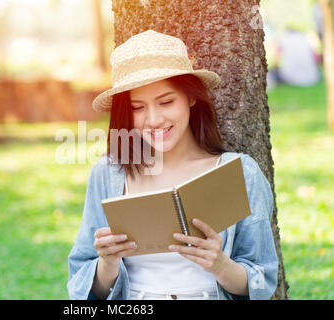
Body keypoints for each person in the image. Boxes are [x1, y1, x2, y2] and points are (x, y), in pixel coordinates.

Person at [67, 30, 278, 300]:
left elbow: (262, 281)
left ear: (191, 97)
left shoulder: (239, 172)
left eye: (166, 102)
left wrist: (220, 264)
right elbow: (82, 285)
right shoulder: (109, 173)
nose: (153, 119)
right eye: (137, 108)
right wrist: (107, 264)